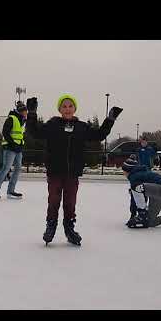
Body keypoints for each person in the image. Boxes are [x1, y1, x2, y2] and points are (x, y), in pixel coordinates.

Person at [27, 94, 123, 246]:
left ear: (74, 109)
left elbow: (99, 135)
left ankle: (69, 228)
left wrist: (110, 119)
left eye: (70, 106)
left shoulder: (81, 127)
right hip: (55, 171)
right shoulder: (53, 125)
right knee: (53, 200)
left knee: (70, 203)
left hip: (72, 173)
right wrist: (32, 113)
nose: (67, 109)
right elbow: (35, 132)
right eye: (64, 106)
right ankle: (50, 226)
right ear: (59, 109)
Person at [0, 101, 27, 200]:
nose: (26, 113)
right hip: (10, 148)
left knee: (18, 168)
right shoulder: (11, 119)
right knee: (6, 168)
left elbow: (19, 135)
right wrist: (12, 143)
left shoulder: (21, 121)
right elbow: (5, 133)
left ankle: (11, 191)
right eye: (25, 111)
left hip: (18, 148)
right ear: (20, 111)